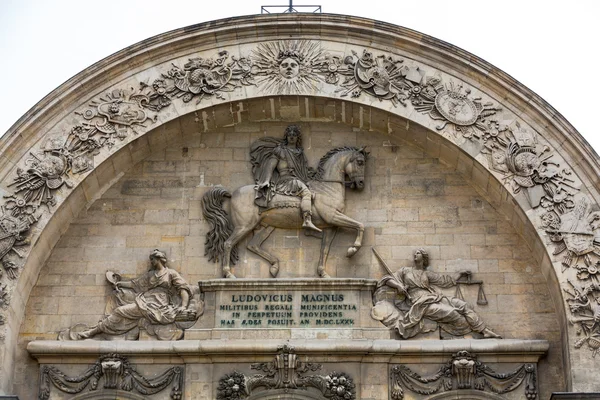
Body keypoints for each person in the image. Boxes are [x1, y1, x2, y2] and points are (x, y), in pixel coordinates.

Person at [371, 248, 501, 339]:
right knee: (452, 313)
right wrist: (398, 286)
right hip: (419, 303)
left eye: (418, 253)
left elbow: (444, 281)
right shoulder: (405, 271)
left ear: (423, 257)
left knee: (463, 305)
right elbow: (387, 279)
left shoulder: (427, 274)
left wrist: (460, 275)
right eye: (415, 253)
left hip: (433, 297)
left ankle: (484, 330)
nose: (415, 255)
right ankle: (464, 333)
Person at [72, 249, 199, 340]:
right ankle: (94, 331)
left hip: (159, 305)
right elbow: (134, 284)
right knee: (119, 312)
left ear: (159, 259)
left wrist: (183, 306)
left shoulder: (170, 273)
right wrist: (120, 284)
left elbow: (183, 289)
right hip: (144, 302)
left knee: (118, 312)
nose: (151, 262)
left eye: (153, 259)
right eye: (151, 260)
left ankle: (92, 332)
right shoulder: (150, 275)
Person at [250, 125, 321, 232]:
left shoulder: (300, 153)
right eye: (289, 135)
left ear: (298, 138)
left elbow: (303, 170)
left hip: (297, 179)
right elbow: (270, 166)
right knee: (306, 192)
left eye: (294, 135)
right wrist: (266, 180)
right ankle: (307, 219)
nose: (292, 137)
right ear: (286, 137)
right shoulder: (280, 150)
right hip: (285, 180)